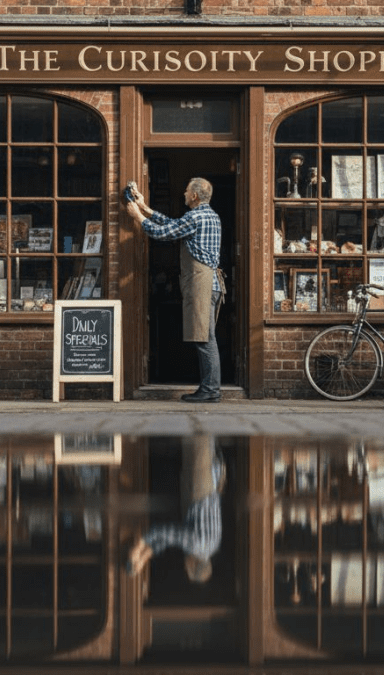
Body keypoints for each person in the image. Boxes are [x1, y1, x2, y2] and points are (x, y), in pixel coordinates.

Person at [126, 177, 224, 403]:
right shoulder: (208, 215)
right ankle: (209, 388)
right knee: (205, 337)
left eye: (187, 191)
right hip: (210, 284)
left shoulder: (196, 216)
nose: (184, 194)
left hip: (204, 285)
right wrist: (145, 208)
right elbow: (173, 224)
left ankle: (210, 390)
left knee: (205, 339)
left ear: (195, 196)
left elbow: (163, 233)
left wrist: (138, 217)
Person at [127, 436, 225, 584]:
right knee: (199, 439)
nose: (184, 566)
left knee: (199, 442)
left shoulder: (210, 548)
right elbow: (167, 532)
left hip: (206, 488)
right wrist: (139, 545)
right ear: (193, 565)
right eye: (187, 569)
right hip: (199, 489)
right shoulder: (197, 546)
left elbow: (169, 540)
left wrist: (145, 556)